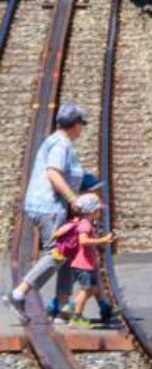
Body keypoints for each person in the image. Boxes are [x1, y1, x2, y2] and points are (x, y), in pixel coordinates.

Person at [20, 104, 97, 314]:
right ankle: (20, 294)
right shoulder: (61, 145)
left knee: (67, 252)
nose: (82, 129)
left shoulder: (57, 141)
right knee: (58, 252)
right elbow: (53, 173)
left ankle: (62, 307)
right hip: (49, 206)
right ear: (75, 124)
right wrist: (73, 199)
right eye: (82, 124)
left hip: (49, 205)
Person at [54, 199, 115, 327]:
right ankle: (75, 316)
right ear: (91, 212)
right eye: (98, 211)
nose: (100, 213)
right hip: (82, 265)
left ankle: (76, 312)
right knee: (87, 290)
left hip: (86, 263)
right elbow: (83, 241)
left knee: (91, 289)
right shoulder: (85, 225)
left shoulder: (86, 223)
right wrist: (102, 240)